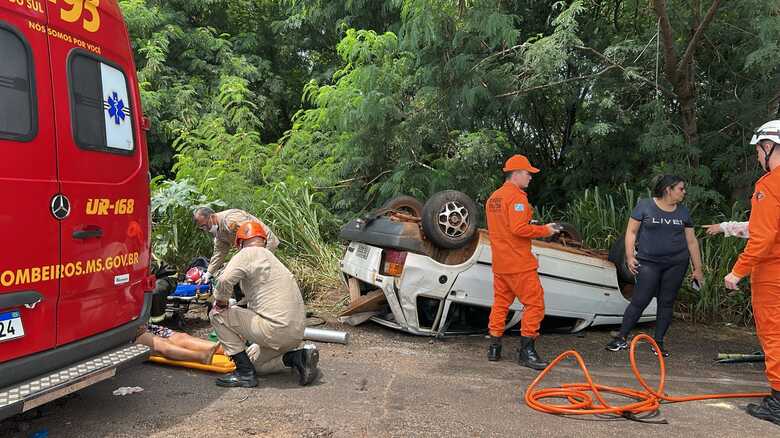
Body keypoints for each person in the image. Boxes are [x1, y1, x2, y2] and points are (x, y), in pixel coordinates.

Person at [209, 221, 319, 388]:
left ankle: (244, 374)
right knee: (255, 363)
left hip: (275, 329)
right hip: (295, 332)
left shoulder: (247, 253)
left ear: (239, 243)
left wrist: (221, 302)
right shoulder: (272, 259)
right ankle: (298, 358)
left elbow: (224, 280)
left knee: (216, 314)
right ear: (264, 241)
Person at [606, 175, 703, 357]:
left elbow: (691, 241)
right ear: (668, 189)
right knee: (640, 300)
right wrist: (629, 255)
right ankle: (621, 338)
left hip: (676, 263)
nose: (684, 192)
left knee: (666, 302)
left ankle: (658, 343)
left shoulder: (683, 212)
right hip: (649, 262)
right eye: (681, 189)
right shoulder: (645, 205)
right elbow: (631, 232)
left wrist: (698, 269)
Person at [724, 119, 780, 426]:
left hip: (773, 272)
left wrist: (738, 271)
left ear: (769, 146)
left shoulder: (769, 185)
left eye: (759, 150)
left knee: (774, 333)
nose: (758, 157)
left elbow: (764, 236)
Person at [485, 154, 560, 370]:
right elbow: (518, 229)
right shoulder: (516, 197)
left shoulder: (494, 198)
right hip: (518, 264)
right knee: (535, 304)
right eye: (528, 173)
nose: (530, 177)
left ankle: (494, 348)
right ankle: (527, 352)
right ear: (516, 173)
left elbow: (504, 227)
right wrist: (545, 230)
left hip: (500, 263)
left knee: (500, 304)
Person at [192, 207, 280, 283]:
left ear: (212, 217)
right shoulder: (218, 231)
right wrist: (208, 273)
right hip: (248, 249)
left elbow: (252, 233)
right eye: (202, 228)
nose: (206, 230)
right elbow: (219, 252)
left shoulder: (231, 219)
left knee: (256, 274)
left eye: (205, 225)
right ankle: (247, 298)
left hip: (264, 242)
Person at [135, 323, 221, 364]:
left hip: (142, 325)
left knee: (181, 337)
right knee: (161, 343)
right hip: (131, 334)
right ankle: (202, 357)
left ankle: (227, 350)